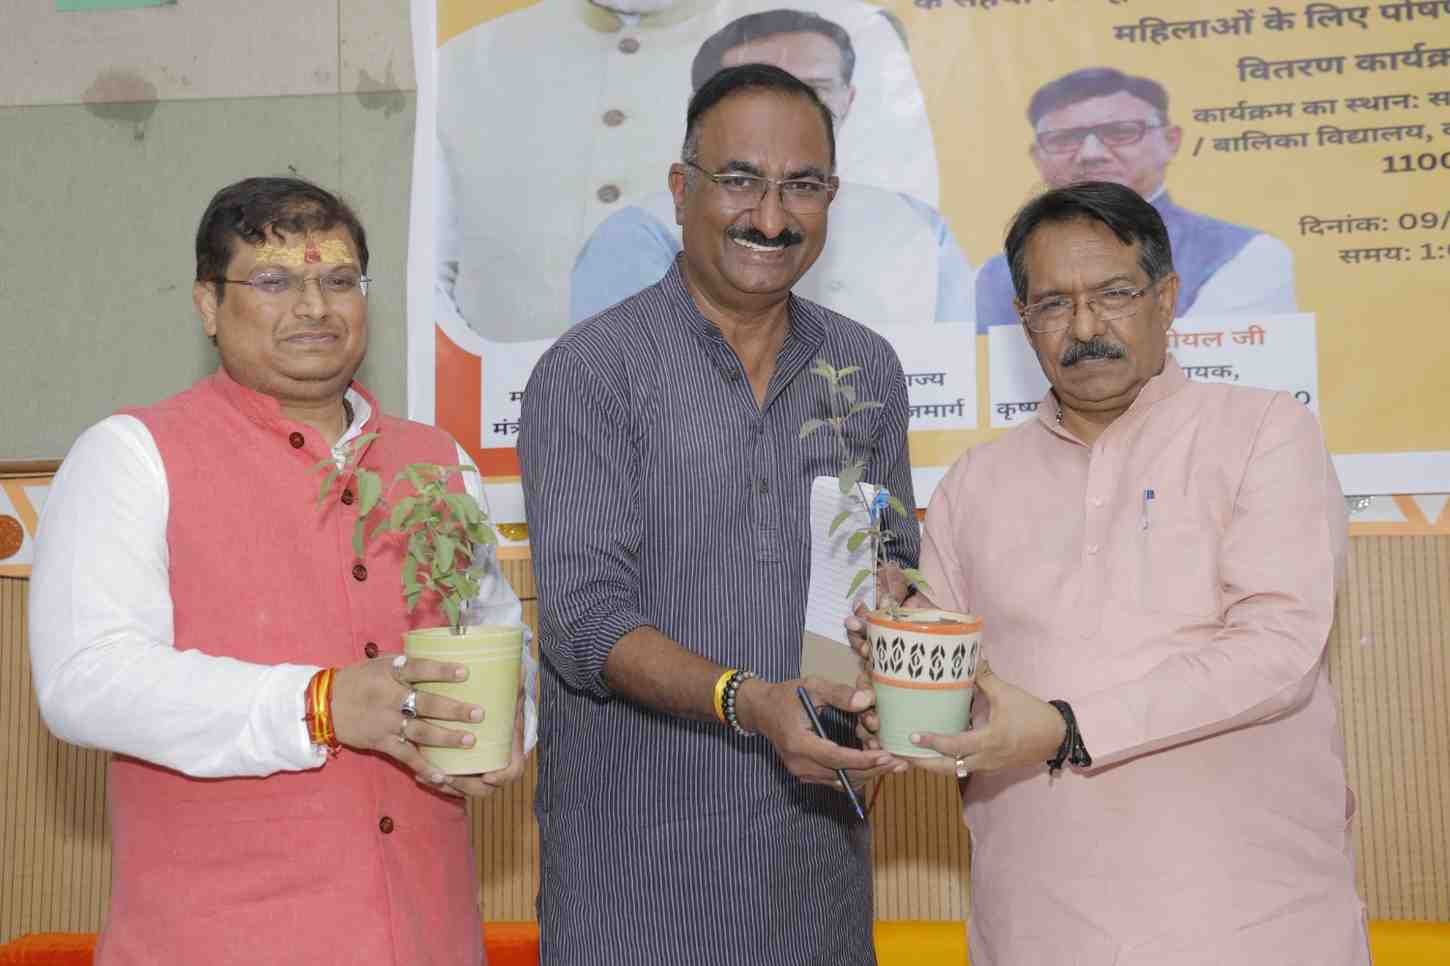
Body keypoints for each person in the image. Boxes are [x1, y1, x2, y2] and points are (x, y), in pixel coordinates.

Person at [854, 181, 1368, 964]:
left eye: (1114, 294)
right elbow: (948, 690)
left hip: (1248, 922)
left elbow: (1278, 654)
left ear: (1167, 298)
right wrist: (882, 693)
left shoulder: (1265, 431)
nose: (1085, 327)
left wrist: (1067, 728)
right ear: (1022, 320)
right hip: (1036, 923)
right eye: (1052, 303)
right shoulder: (975, 483)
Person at [28, 177, 535, 965]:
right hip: (222, 940)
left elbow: (498, 639)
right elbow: (86, 680)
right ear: (207, 304)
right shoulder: (131, 457)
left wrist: (511, 726)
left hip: (427, 934)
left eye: (339, 281)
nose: (314, 307)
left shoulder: (438, 462)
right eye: (274, 281)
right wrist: (320, 704)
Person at [518, 64, 917, 965]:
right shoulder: (594, 371)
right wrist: (751, 702)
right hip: (641, 889)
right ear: (680, 188)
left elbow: (893, 564)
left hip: (818, 881)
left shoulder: (865, 372)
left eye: (801, 186)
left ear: (831, 196)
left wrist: (895, 618)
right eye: (739, 180)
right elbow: (585, 624)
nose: (770, 217)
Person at [435, 0, 938, 343]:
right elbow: (434, 287)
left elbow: (901, 259)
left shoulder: (827, 36)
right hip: (508, 434)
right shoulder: (465, 61)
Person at [570, 8, 974, 327]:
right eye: (756, 87)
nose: (785, 113)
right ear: (703, 103)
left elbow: (956, 379)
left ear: (848, 99)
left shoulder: (920, 230)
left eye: (813, 89)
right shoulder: (638, 236)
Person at [974, 67, 1298, 334]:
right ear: (1037, 156)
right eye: (1065, 139)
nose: (1091, 154)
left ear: (1171, 142)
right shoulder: (991, 278)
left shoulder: (1245, 256)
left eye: (1120, 132)